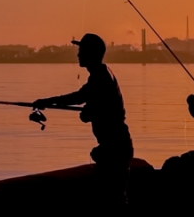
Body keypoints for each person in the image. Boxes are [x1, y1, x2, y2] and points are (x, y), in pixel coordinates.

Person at [34, 33, 134, 178]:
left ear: (91, 53)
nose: (78, 55)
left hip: (115, 148)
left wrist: (46, 102)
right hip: (116, 146)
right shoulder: (101, 74)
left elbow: (79, 97)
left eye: (82, 51)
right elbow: (93, 105)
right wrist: (91, 111)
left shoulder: (100, 76)